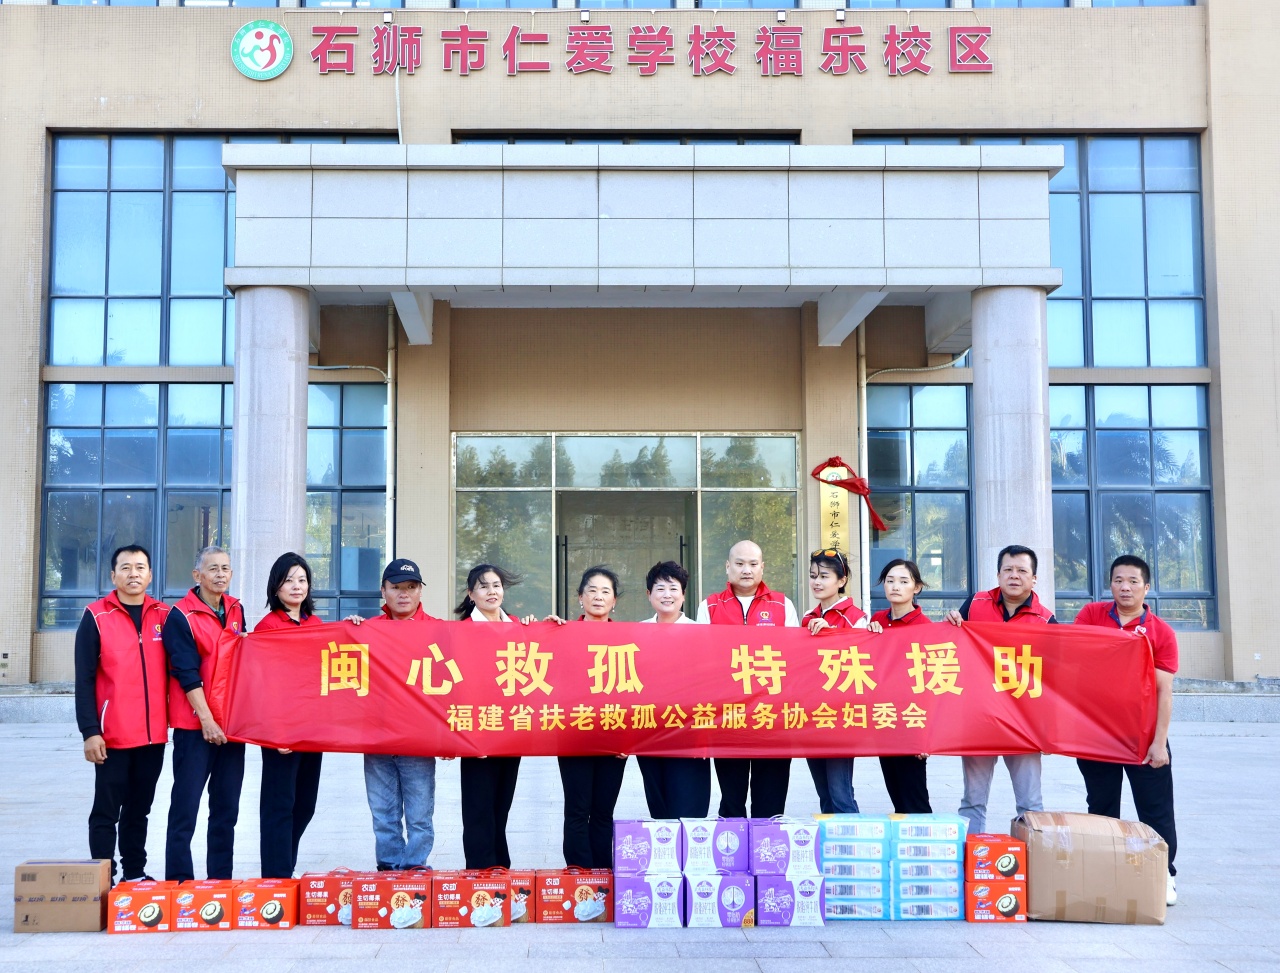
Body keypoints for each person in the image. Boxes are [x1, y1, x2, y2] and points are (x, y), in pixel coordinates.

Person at [1073, 554, 1180, 906]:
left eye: (1133, 581)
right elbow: (1073, 659)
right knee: (1101, 807)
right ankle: (1105, 872)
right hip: (1098, 735)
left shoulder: (1161, 632)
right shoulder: (1091, 616)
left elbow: (1164, 691)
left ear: (1146, 588)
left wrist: (1159, 744)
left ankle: (1163, 875)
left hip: (1143, 737)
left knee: (1154, 809)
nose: (1125, 587)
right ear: (1110, 584)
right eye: (1118, 580)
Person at [75, 544, 171, 884]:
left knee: (139, 810)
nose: (134, 574)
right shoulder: (96, 616)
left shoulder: (163, 615)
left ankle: (134, 874)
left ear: (150, 575)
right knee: (106, 811)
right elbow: (84, 679)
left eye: (140, 567)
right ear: (113, 575)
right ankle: (103, 882)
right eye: (126, 567)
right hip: (112, 736)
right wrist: (90, 731)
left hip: (153, 736)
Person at [945, 544, 1054, 834]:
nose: (1014, 576)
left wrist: (1047, 730)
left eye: (1022, 571)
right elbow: (951, 644)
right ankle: (973, 856)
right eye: (1008, 569)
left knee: (1030, 804)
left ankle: (1035, 859)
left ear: (1034, 578)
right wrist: (950, 622)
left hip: (1024, 724)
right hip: (979, 719)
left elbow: (1054, 680)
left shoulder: (1046, 620)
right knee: (972, 800)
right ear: (998, 575)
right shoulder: (975, 604)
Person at [695, 540, 799, 819]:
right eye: (739, 563)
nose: (746, 570)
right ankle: (733, 846)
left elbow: (795, 659)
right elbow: (701, 661)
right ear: (727, 567)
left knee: (771, 801)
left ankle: (767, 846)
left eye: (753, 564)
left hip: (772, 718)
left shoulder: (782, 605)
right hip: (729, 717)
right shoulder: (710, 606)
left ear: (762, 567)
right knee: (732, 800)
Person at [348, 559, 440, 871]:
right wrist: (347, 632)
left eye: (411, 587)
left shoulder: (439, 631)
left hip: (418, 741)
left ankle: (415, 869)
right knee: (383, 813)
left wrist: (449, 738)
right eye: (396, 587)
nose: (404, 594)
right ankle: (388, 870)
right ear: (383, 591)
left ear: (420, 592)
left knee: (419, 815)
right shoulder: (366, 630)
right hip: (377, 738)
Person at [163, 545, 246, 882]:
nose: (220, 574)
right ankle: (179, 880)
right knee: (185, 808)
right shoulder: (180, 616)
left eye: (225, 568)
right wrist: (207, 720)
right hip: (194, 727)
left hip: (232, 727)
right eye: (213, 568)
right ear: (197, 575)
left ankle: (220, 881)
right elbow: (186, 672)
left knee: (226, 809)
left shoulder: (236, 608)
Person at [455, 563, 534, 870]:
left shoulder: (518, 627)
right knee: (478, 809)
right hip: (476, 732)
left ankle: (500, 869)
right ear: (471, 594)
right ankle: (479, 873)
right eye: (484, 586)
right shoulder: (460, 631)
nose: (492, 591)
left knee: (501, 807)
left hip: (510, 731)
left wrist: (545, 628)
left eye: (497, 585)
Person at [254, 553, 324, 879]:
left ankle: (285, 866)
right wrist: (274, 731)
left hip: (311, 731)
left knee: (305, 804)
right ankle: (276, 876)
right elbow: (262, 685)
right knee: (278, 804)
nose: (297, 586)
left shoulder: (317, 625)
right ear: (276, 586)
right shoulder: (267, 627)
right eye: (289, 580)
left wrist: (352, 627)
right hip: (281, 733)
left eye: (302, 580)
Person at [559, 566, 628, 867]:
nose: (598, 597)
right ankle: (577, 875)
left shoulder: (628, 639)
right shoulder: (561, 634)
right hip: (574, 735)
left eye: (605, 592)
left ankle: (601, 873)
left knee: (603, 810)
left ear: (614, 601)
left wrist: (631, 739)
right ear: (580, 597)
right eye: (592, 591)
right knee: (577, 809)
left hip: (614, 735)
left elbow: (639, 692)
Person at [637, 561, 710, 819]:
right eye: (660, 589)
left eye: (673, 588)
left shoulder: (701, 633)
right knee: (659, 808)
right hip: (650, 731)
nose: (666, 595)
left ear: (683, 594)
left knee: (689, 806)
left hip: (690, 732)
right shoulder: (637, 633)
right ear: (649, 594)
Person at [802, 549, 867, 815]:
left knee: (841, 793)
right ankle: (831, 840)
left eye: (824, 576)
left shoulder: (857, 618)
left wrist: (833, 637)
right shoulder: (807, 617)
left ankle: (854, 839)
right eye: (813, 576)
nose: (817, 582)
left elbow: (862, 667)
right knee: (825, 794)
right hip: (812, 715)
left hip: (841, 716)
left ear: (842, 580)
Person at [867, 558, 934, 814]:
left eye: (904, 581)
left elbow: (932, 685)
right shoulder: (877, 620)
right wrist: (868, 636)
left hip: (912, 722)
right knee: (896, 794)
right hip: (885, 720)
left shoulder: (926, 628)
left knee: (915, 799)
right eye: (890, 580)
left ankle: (926, 839)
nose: (896, 586)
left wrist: (926, 736)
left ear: (916, 588)